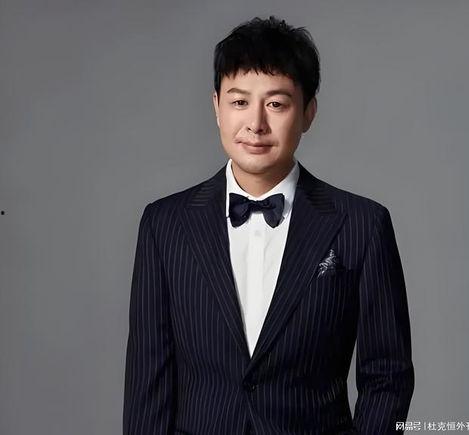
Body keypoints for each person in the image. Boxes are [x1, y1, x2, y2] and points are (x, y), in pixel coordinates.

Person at [123, 15, 414, 435]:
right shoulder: (164, 225)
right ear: (216, 107)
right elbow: (148, 382)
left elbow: (388, 376)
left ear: (308, 112)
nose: (256, 124)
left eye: (276, 104)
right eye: (239, 102)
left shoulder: (362, 226)